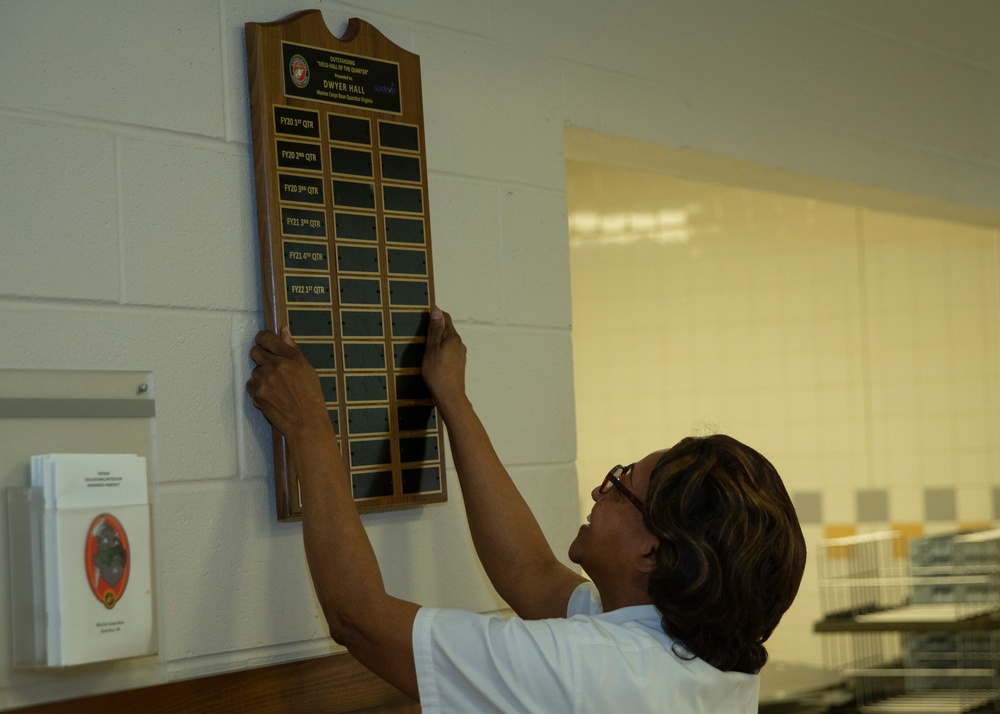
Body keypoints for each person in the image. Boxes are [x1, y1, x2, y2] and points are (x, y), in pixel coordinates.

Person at [247, 307, 807, 713]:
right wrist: (453, 400)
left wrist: (309, 428)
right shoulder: (696, 655)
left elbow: (358, 619)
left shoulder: (593, 668)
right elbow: (532, 576)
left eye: (620, 486)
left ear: (653, 553)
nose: (598, 493)